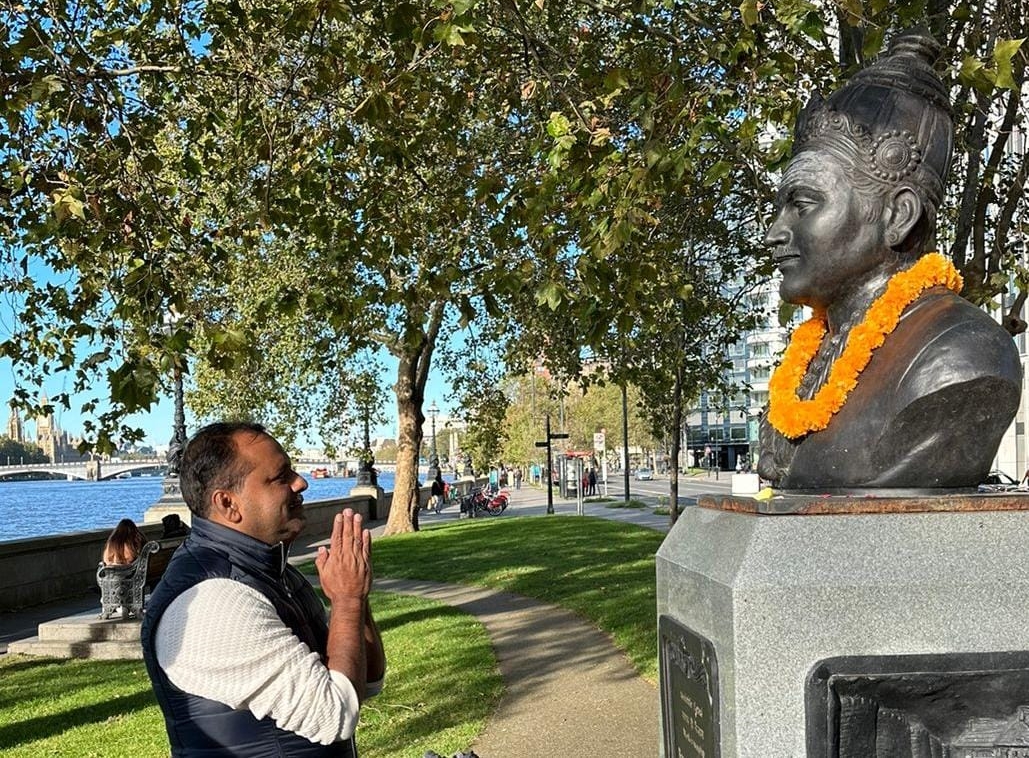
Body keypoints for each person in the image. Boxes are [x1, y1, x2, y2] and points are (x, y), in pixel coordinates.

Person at [756, 28, 1021, 492]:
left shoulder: (965, 354)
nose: (775, 232)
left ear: (897, 215)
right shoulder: (815, 351)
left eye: (803, 204)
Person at [140, 421, 385, 757]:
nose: (301, 482)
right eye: (281, 476)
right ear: (228, 504)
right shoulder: (212, 601)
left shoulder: (275, 573)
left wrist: (356, 595)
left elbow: (366, 683)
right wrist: (348, 600)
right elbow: (337, 715)